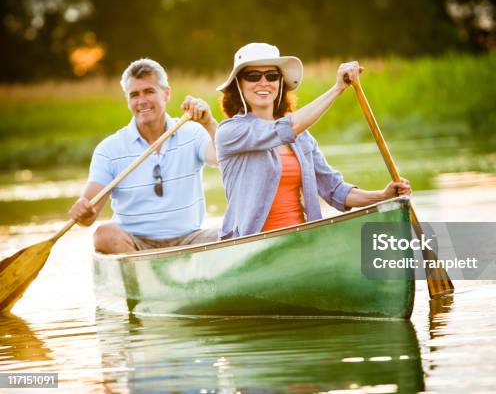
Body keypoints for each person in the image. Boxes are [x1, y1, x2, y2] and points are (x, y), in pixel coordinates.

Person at [215, 42, 411, 239]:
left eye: (272, 76)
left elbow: (335, 190)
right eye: (253, 76)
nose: (264, 82)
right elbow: (286, 128)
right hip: (251, 245)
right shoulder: (230, 132)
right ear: (239, 84)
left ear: (280, 82)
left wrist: (383, 196)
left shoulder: (302, 138)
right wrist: (337, 88)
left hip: (302, 241)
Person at [69, 58, 219, 253]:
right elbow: (89, 216)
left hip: (190, 240)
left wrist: (209, 123)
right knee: (103, 235)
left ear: (166, 94)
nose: (142, 101)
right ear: (128, 100)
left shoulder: (193, 132)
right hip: (134, 245)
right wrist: (82, 211)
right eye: (134, 95)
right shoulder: (109, 150)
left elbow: (220, 158)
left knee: (235, 230)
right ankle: (147, 279)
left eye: (149, 91)